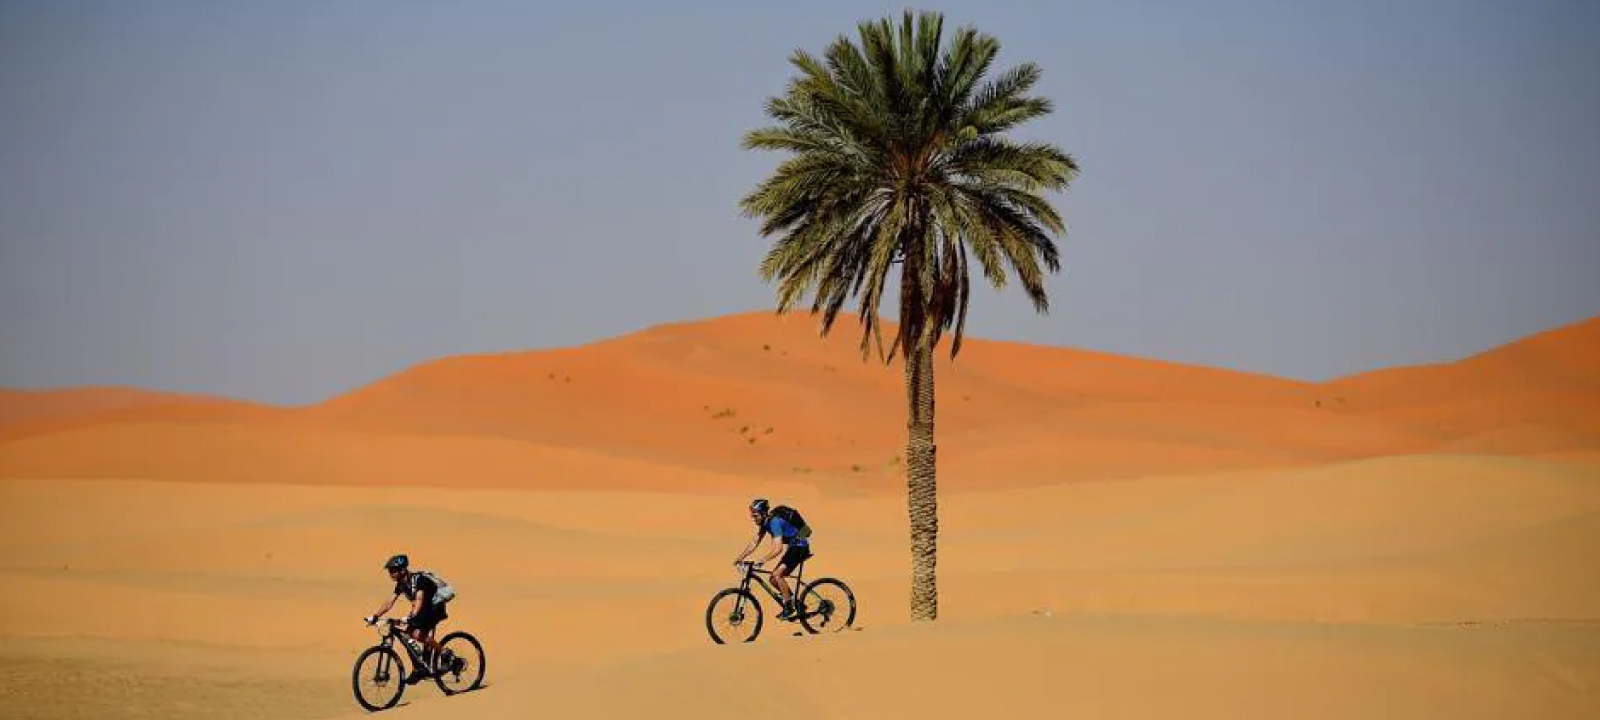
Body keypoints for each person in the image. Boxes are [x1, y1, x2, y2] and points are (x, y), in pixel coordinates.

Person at [365, 553, 463, 684]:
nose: (390, 574)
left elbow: (419, 599)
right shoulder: (401, 584)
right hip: (423, 610)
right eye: (390, 571)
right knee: (406, 633)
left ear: (402, 570)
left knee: (417, 634)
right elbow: (390, 602)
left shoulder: (419, 580)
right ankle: (418, 668)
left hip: (435, 608)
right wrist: (375, 616)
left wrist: (411, 616)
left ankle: (446, 654)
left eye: (393, 571)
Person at [732, 498, 813, 620]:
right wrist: (740, 558)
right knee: (773, 579)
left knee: (777, 575)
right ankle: (796, 603)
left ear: (763, 513)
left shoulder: (775, 523)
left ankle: (789, 608)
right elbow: (754, 542)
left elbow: (778, 549)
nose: (754, 519)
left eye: (756, 516)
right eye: (752, 516)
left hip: (800, 547)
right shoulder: (765, 524)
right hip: (793, 547)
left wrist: (763, 560)